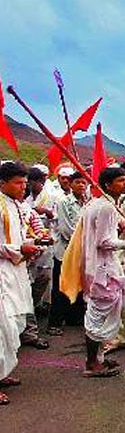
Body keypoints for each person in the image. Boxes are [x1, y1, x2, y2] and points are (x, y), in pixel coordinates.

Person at [81, 166, 125, 377]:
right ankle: (92, 364)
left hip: (100, 267)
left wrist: (119, 229)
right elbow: (103, 242)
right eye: (120, 181)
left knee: (111, 310)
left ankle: (99, 358)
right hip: (103, 269)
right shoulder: (106, 207)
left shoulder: (101, 204)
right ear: (108, 185)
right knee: (98, 317)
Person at [0, 162, 43, 404]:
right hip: (2, 274)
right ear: (2, 183)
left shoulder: (17, 206)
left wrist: (31, 243)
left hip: (15, 273)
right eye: (18, 183)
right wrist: (19, 249)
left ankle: (2, 372)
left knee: (14, 325)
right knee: (1, 327)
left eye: (25, 183)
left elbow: (18, 236)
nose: (23, 188)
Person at [48, 172, 88, 335]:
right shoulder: (64, 202)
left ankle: (74, 317)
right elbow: (66, 229)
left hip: (80, 250)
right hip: (65, 251)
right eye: (78, 182)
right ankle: (54, 323)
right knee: (61, 286)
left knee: (78, 284)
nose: (81, 186)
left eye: (84, 183)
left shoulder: (86, 203)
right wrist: (85, 241)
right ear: (70, 184)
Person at [21, 166, 55, 350]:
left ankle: (26, 324)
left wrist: (41, 239)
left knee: (38, 286)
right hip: (16, 260)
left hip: (38, 255)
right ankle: (29, 332)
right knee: (23, 294)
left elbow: (40, 230)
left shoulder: (28, 209)